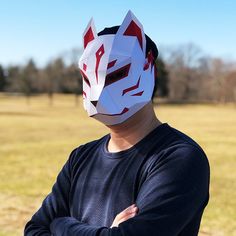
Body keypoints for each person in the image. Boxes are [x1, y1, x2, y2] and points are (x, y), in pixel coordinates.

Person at [24, 10, 210, 236]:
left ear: (149, 68)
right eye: (88, 78)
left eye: (115, 75)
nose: (97, 93)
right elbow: (34, 230)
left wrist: (61, 225)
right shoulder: (80, 157)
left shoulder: (179, 158)